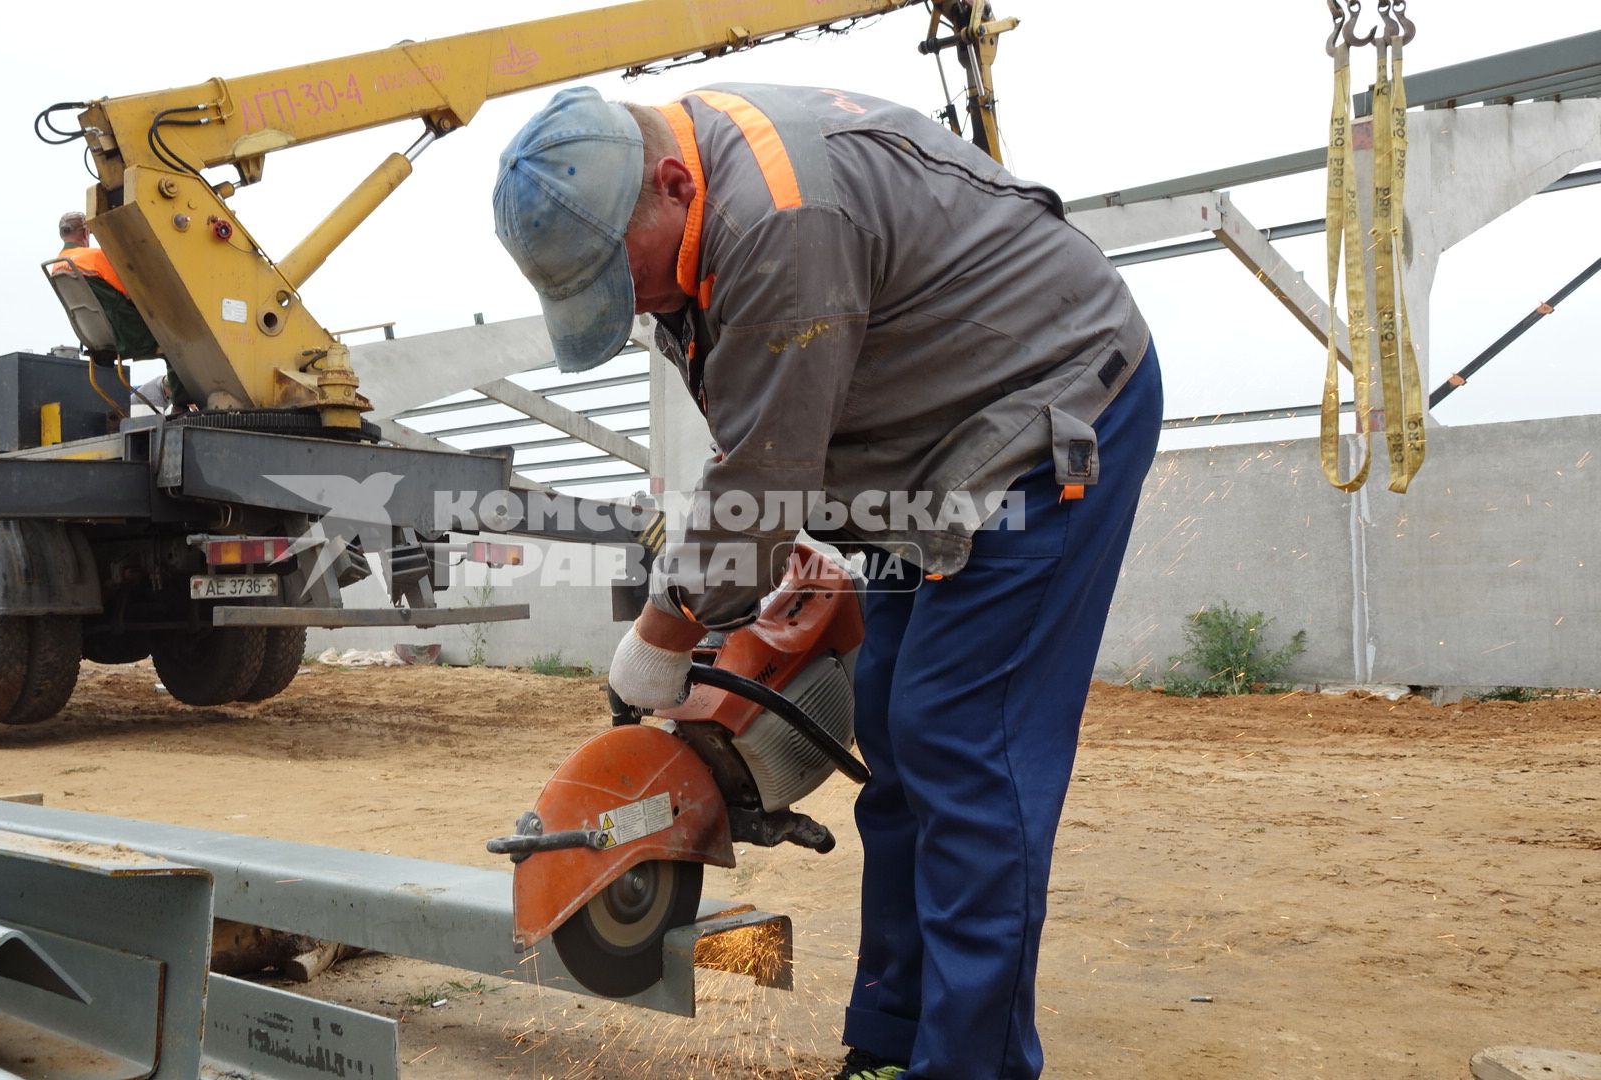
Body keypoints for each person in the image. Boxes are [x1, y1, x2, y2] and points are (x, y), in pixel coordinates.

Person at [493, 84, 1163, 1080]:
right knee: (893, 723)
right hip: (929, 457)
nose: (628, 305)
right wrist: (805, 526)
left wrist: (667, 633)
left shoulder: (780, 219)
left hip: (1044, 421)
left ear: (673, 186)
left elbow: (762, 473)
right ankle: (891, 1044)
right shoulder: (695, 203)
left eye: (619, 279)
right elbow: (779, 424)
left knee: (960, 741)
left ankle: (968, 1065)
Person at [51, 211, 180, 404]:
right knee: (177, 341)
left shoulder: (57, 267)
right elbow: (131, 292)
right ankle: (181, 403)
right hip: (126, 333)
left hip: (94, 338)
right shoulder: (94, 257)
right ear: (85, 232)